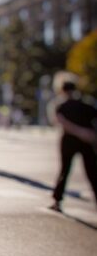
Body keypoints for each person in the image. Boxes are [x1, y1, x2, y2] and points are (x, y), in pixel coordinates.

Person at [49, 72, 97, 212]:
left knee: (65, 170)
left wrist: (78, 132)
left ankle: (57, 201)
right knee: (93, 173)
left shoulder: (60, 105)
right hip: (86, 141)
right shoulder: (86, 103)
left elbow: (59, 122)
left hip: (69, 141)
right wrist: (88, 134)